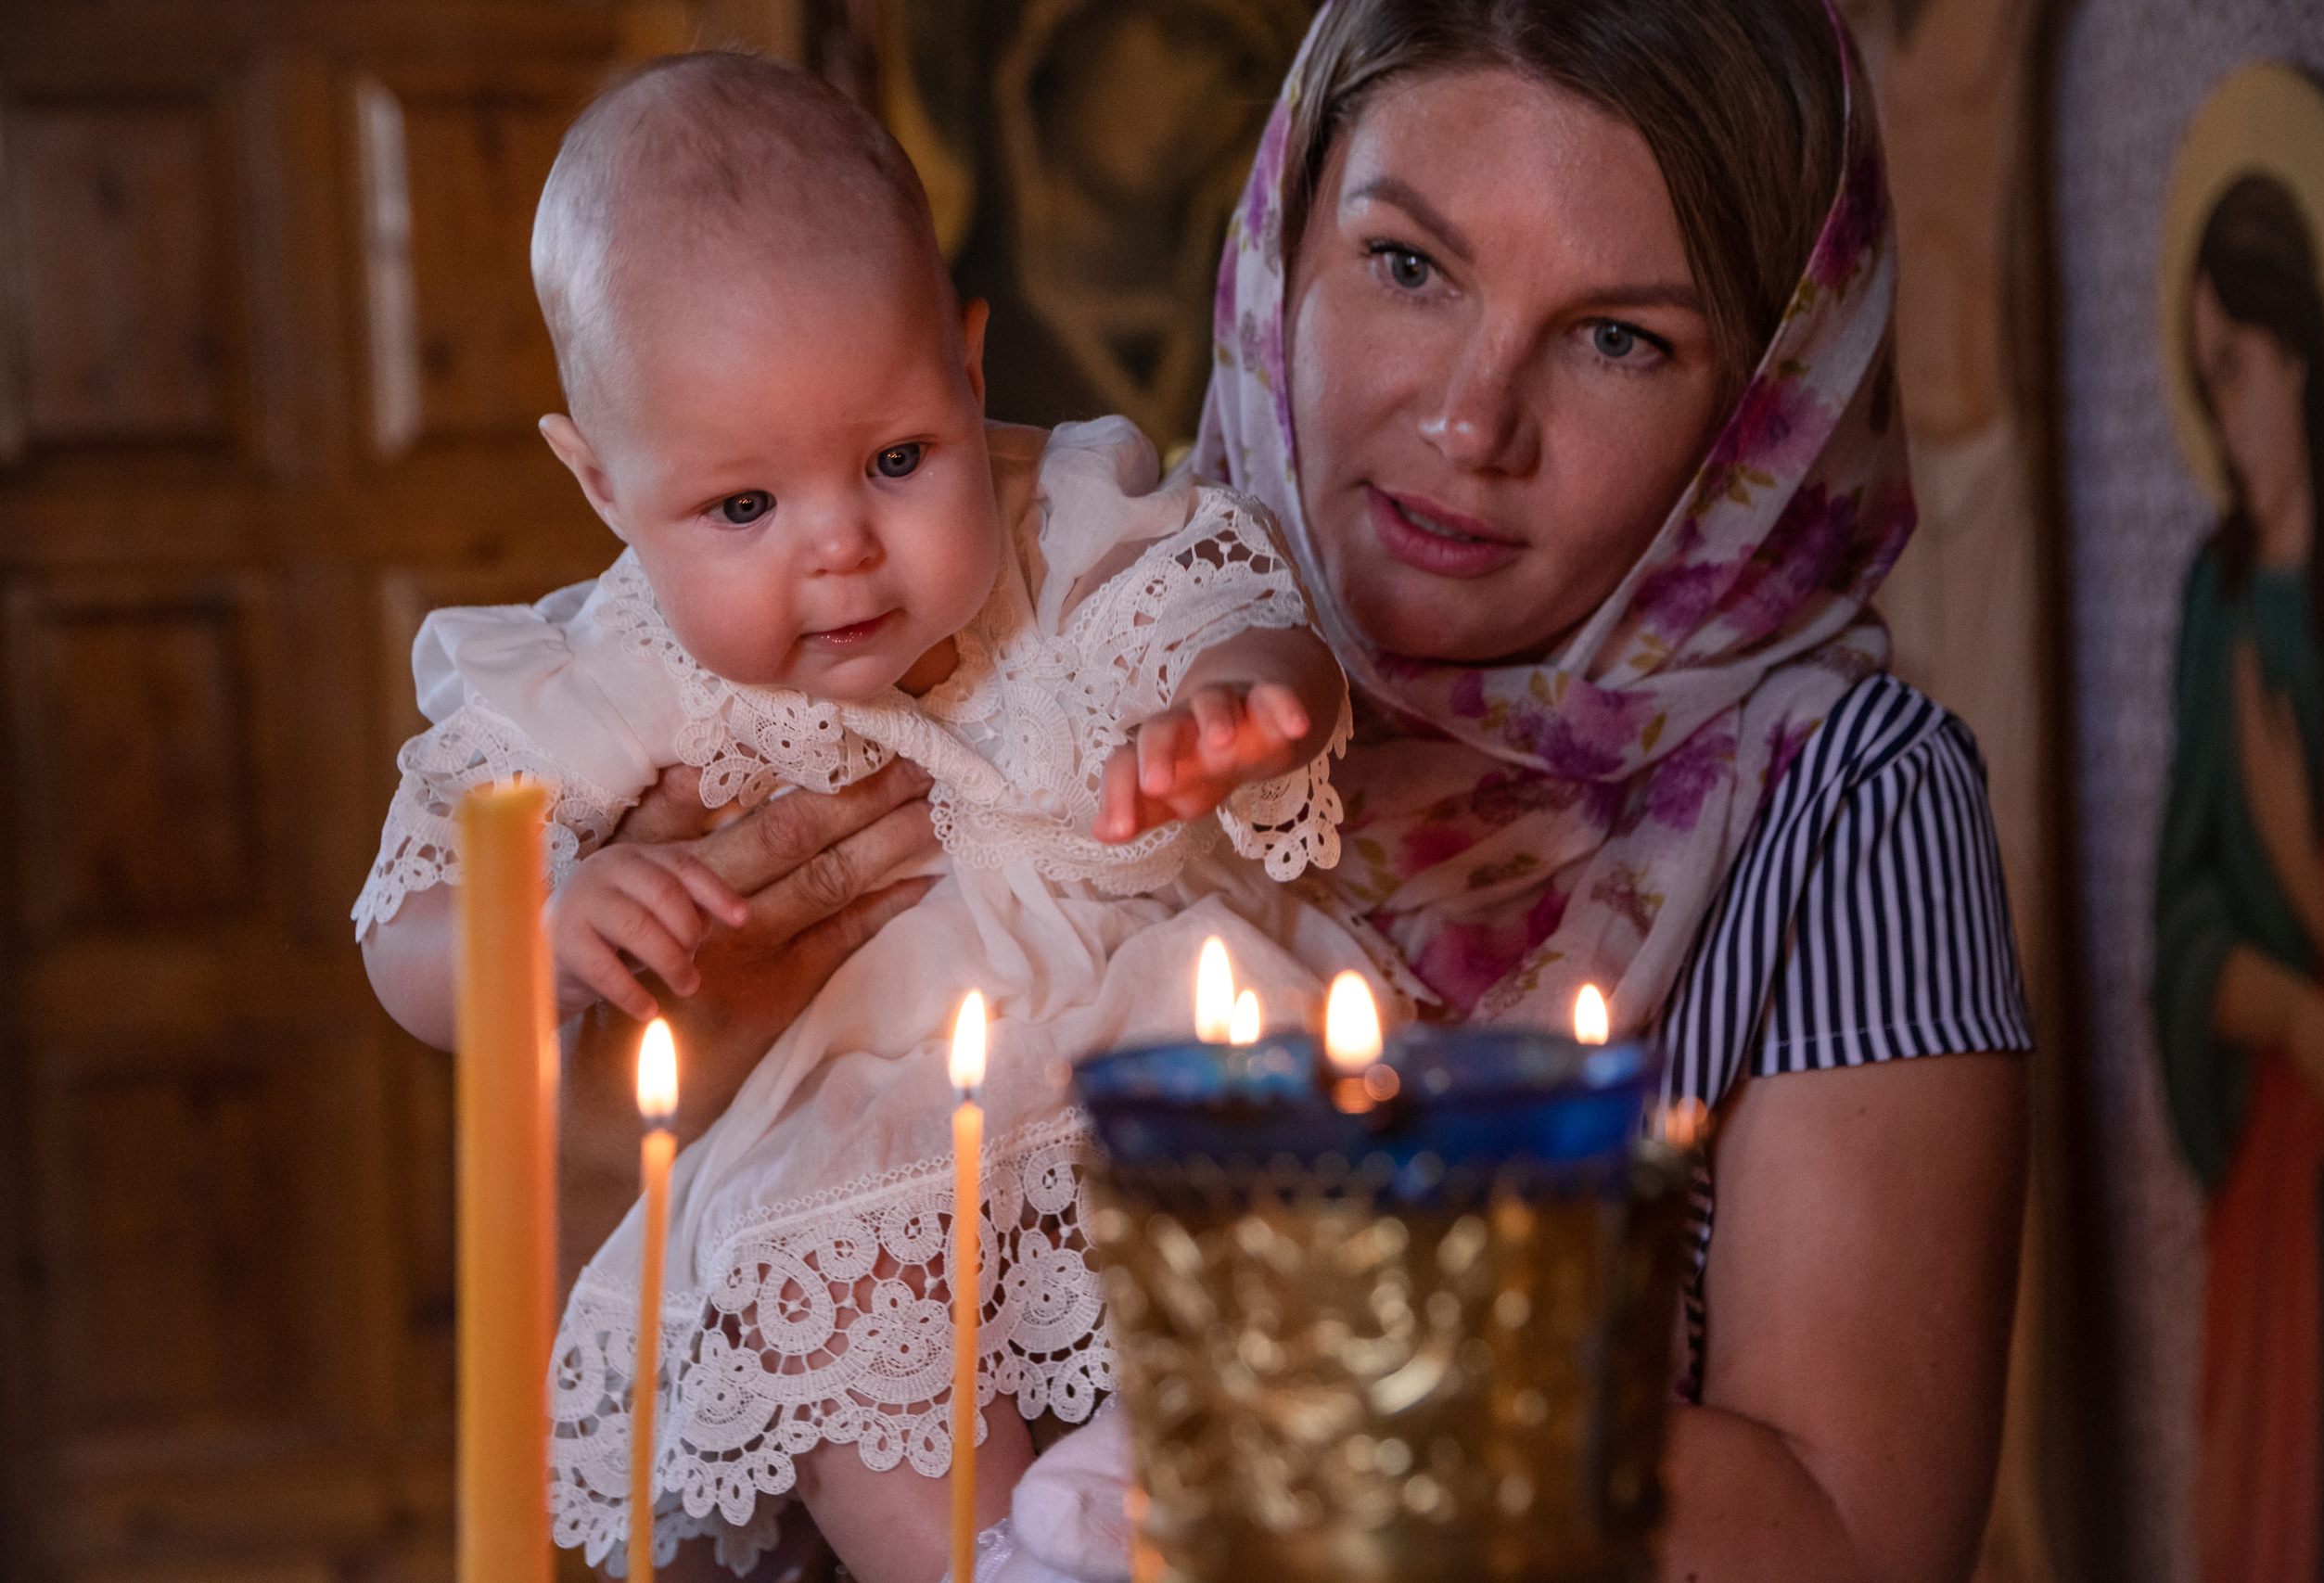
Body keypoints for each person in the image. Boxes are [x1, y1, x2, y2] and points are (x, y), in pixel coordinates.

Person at [594, 2, 2035, 1578]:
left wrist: (1312, 1375)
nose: (1473, 422)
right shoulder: (997, 631)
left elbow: (1855, 1538)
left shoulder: (1846, 812)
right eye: (1409, 266)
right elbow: (647, 1375)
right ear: (1282, 251)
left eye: (1620, 336)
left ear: (1766, 406)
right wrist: (705, 1047)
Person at [351, 53, 1361, 1583]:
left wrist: (1239, 701)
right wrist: (539, 929)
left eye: (897, 461)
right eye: (744, 509)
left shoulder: (1058, 524)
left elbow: (1224, 605)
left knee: (1298, 1217)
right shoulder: (616, 669)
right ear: (604, 484)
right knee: (835, 1280)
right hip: (858, 1130)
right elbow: (409, 919)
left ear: (968, 372)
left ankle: (1128, 1509)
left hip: (1133, 1059)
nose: (841, 553)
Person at [2155, 172, 2324, 1583]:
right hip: (2275, 1159)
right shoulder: (2216, 600)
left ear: (2302, 353)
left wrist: (2302, 870)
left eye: (2232, 367)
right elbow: (2178, 907)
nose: (2224, 411)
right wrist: (2287, 1013)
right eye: (2202, 377)